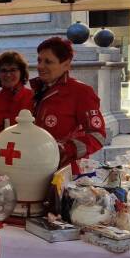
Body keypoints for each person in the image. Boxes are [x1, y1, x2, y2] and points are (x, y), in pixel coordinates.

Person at [30, 36, 106, 169]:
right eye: (39, 60)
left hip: (66, 174)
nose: (40, 66)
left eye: (48, 62)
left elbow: (97, 136)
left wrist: (63, 150)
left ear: (66, 64)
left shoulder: (81, 92)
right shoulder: (36, 91)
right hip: (36, 169)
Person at [0, 51, 35, 143]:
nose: (8, 75)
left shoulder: (34, 99)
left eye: (13, 70)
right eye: (3, 70)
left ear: (22, 72)